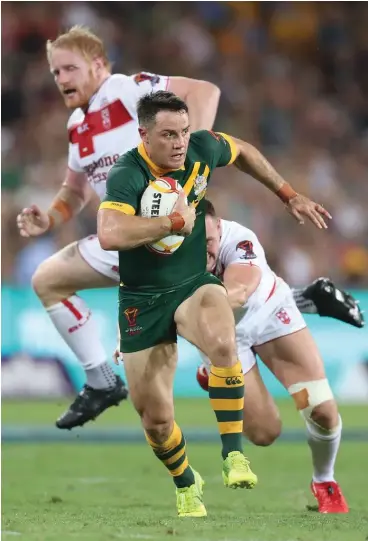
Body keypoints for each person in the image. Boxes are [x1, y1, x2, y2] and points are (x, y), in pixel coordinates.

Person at [97, 90, 331, 517]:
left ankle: (232, 454)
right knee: (156, 419)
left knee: (222, 338)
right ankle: (186, 481)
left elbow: (243, 152)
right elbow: (110, 234)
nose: (179, 142)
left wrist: (288, 194)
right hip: (142, 300)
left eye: (183, 132)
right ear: (143, 135)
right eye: (168, 135)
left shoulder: (202, 148)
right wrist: (172, 222)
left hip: (191, 283)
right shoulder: (127, 174)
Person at [16, 26, 222, 430]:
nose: (61, 80)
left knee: (215, 338)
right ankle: (100, 381)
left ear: (98, 65)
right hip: (121, 239)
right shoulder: (77, 124)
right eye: (55, 73)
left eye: (69, 69)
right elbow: (74, 191)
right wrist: (49, 217)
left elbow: (205, 92)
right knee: (47, 280)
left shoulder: (127, 89)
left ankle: (287, 305)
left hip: (162, 236)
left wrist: (186, 168)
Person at [195, 199, 353, 513]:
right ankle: (212, 373)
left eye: (209, 242)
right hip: (226, 338)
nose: (203, 251)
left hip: (270, 315)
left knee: (321, 410)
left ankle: (324, 481)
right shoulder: (164, 251)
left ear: (219, 227)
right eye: (193, 244)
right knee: (265, 433)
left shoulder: (240, 240)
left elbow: (239, 291)